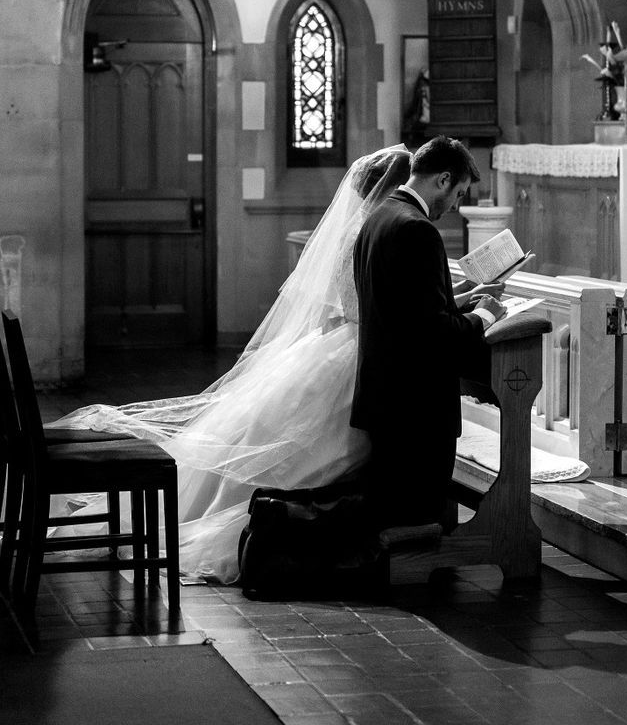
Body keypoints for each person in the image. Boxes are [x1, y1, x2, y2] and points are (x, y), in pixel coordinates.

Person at [48, 144, 413, 583]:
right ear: (392, 186)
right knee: (307, 445)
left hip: (332, 345)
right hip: (352, 348)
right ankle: (294, 522)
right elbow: (358, 306)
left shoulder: (358, 228)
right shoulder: (374, 231)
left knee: (274, 433)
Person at [351, 135, 506, 529]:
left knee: (395, 513)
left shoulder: (379, 217)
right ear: (443, 179)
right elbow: (434, 336)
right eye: (458, 193)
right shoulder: (418, 230)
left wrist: (462, 299)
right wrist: (486, 315)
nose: (455, 206)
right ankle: (417, 581)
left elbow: (402, 309)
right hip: (415, 408)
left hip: (384, 397)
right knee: (414, 518)